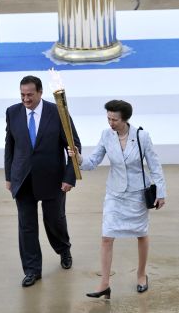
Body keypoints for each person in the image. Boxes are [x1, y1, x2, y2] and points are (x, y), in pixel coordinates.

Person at [68, 99, 166, 299]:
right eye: (108, 118)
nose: (110, 123)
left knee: (141, 234)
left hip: (137, 194)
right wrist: (77, 157)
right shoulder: (106, 135)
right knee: (106, 237)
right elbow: (92, 162)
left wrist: (161, 192)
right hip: (114, 193)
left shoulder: (142, 136)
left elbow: (155, 166)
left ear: (125, 119)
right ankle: (104, 284)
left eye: (114, 120)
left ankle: (141, 275)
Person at [5, 75, 81, 287]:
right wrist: (9, 176)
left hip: (53, 180)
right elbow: (10, 147)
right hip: (23, 180)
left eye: (30, 94)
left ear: (40, 93)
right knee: (26, 227)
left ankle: (64, 250)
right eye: (22, 95)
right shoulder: (13, 112)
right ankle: (32, 270)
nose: (26, 99)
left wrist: (69, 177)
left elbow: (74, 146)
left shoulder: (58, 112)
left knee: (54, 221)